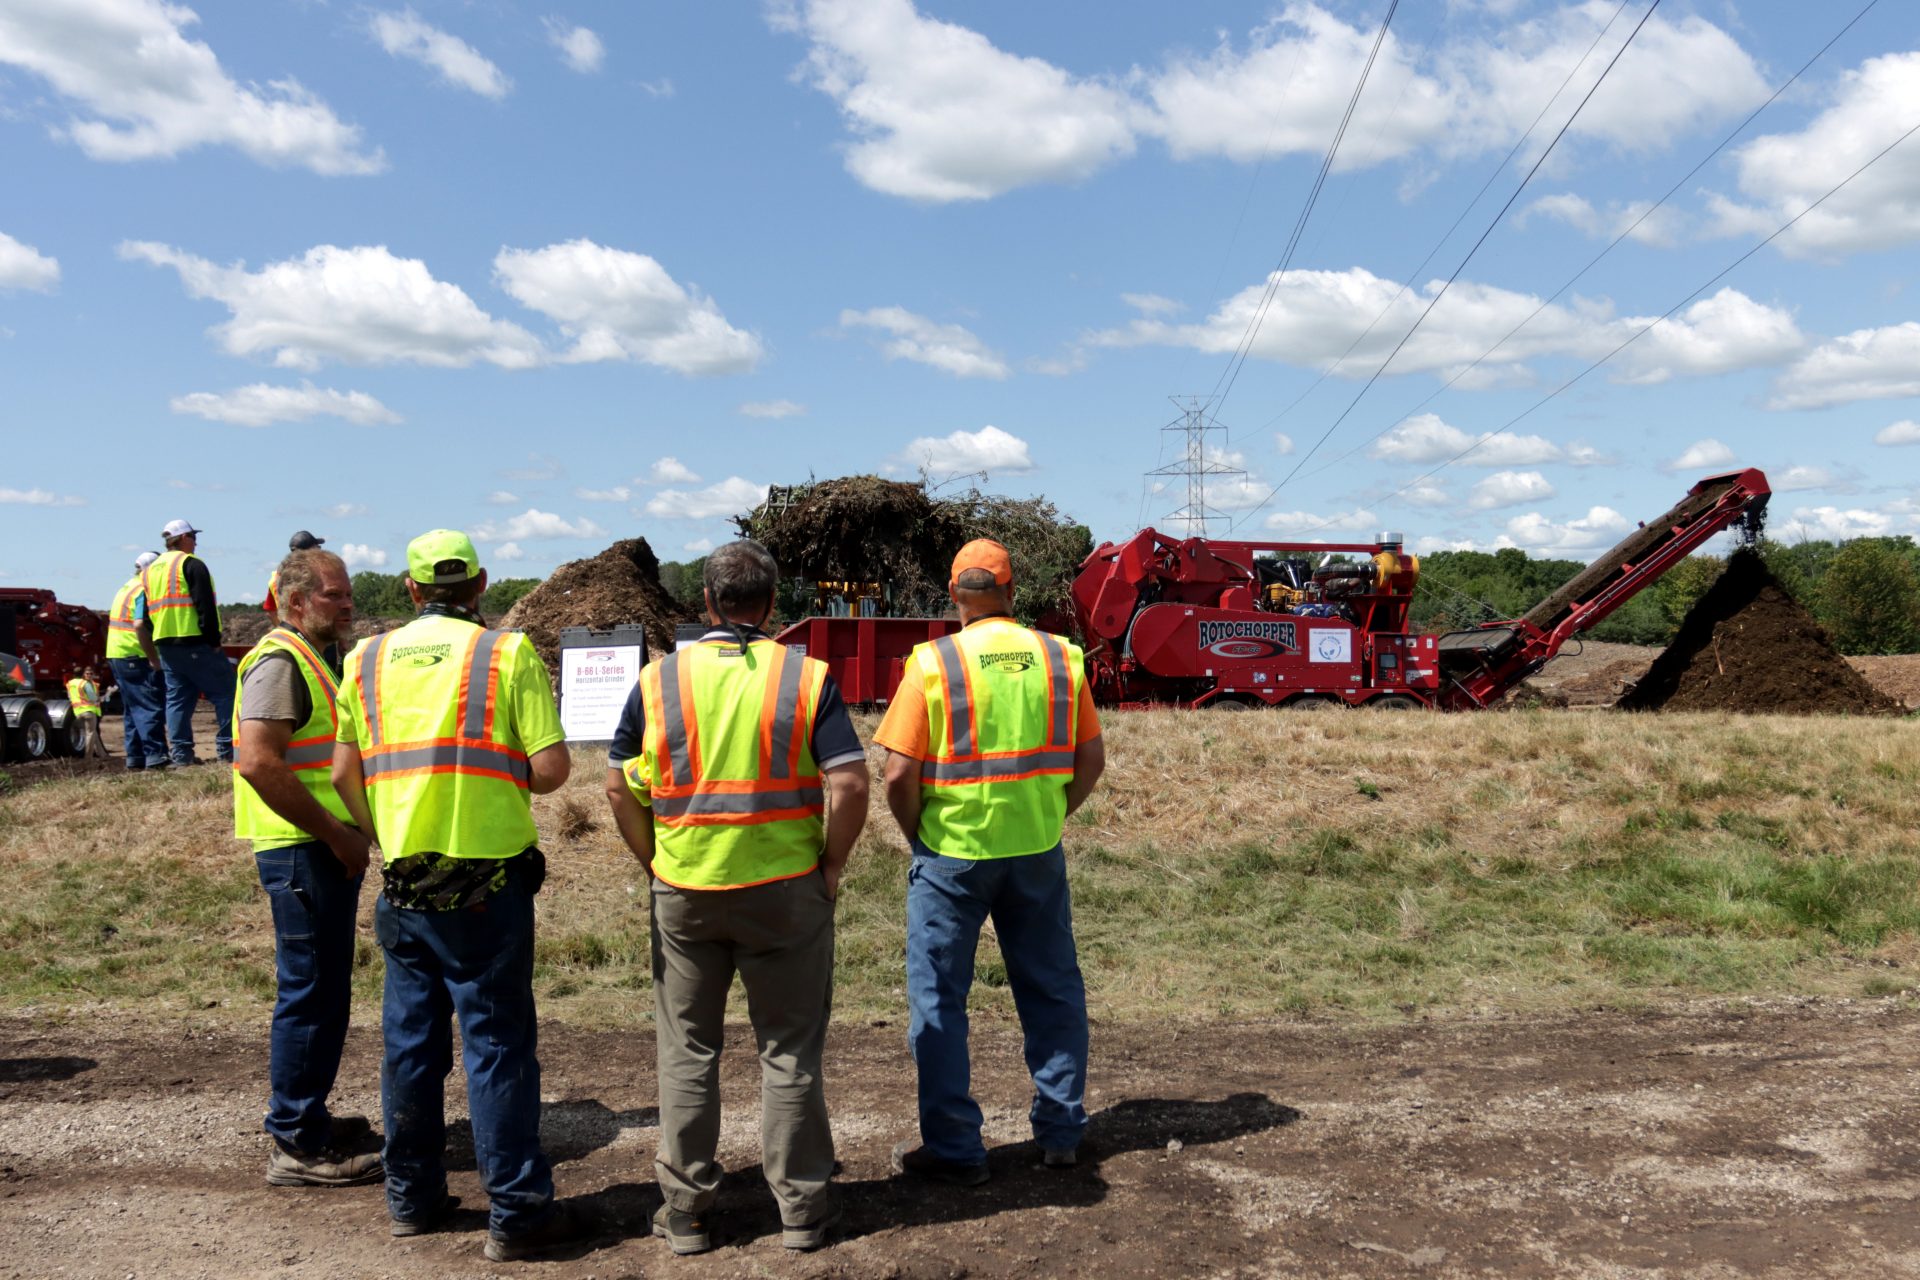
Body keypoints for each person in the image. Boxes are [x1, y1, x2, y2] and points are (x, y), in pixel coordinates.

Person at [604, 539, 868, 1255]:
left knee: (688, 1050)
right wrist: (832, 865)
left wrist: (653, 860)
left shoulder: (659, 681)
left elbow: (614, 785)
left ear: (706, 603)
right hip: (787, 892)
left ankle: (686, 1212)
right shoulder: (806, 676)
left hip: (686, 889)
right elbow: (847, 781)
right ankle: (803, 1212)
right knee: (789, 1050)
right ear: (773, 604)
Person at [332, 530, 583, 1260]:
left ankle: (411, 1200)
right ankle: (518, 1215)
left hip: (405, 880)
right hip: (487, 884)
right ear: (478, 587)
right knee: (497, 1047)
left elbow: (346, 771)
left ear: (410, 591)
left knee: (409, 1046)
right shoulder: (505, 653)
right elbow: (551, 770)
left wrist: (383, 827)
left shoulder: (366, 658)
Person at [874, 539, 1106, 1185]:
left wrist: (917, 834)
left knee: (940, 1001)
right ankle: (1061, 1133)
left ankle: (956, 1151)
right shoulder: (1061, 657)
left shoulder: (933, 663)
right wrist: (1052, 814)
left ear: (955, 593)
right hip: (1035, 849)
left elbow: (897, 774)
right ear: (1012, 588)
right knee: (1052, 988)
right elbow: (1091, 760)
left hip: (950, 855)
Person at [233, 547, 382, 1190]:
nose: (347, 605)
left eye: (347, 594)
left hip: (315, 848)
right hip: (303, 850)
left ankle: (307, 1117)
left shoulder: (313, 660)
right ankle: (295, 1140)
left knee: (324, 990)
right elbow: (258, 761)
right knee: (311, 994)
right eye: (334, 595)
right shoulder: (280, 661)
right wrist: (336, 836)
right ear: (296, 602)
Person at [145, 518, 234, 766]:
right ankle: (227, 750)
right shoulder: (191, 564)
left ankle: (182, 755)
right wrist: (213, 639)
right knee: (227, 693)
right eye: (193, 537)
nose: (196, 542)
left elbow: (147, 614)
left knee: (178, 699)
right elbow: (203, 603)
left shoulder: (151, 570)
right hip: (194, 640)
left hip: (165, 643)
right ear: (183, 538)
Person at [108, 551, 170, 770]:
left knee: (133, 709)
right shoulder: (144, 589)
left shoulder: (127, 586)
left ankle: (135, 757)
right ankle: (157, 757)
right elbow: (139, 625)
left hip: (118, 654)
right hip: (136, 655)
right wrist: (154, 659)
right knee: (148, 707)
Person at [263, 531, 326, 616]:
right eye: (317, 548)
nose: (320, 551)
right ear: (310, 551)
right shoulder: (319, 575)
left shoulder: (276, 578)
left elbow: (271, 612)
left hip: (286, 626)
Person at [64, 666, 106, 759]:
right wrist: (101, 698)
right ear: (83, 674)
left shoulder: (69, 684)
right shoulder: (84, 683)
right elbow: (93, 698)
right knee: (90, 733)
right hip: (88, 711)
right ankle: (88, 757)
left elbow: (70, 697)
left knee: (93, 732)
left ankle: (102, 754)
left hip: (77, 712)